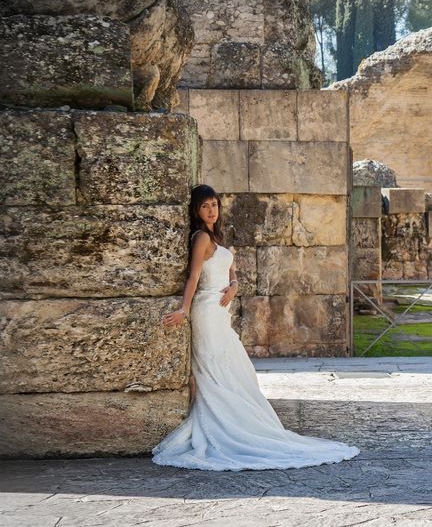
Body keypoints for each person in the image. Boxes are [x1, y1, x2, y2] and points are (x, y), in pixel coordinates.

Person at [153, 184, 359, 471]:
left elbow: (231, 272)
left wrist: (235, 286)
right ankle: (225, 424)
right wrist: (183, 310)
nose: (211, 210)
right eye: (205, 206)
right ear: (196, 211)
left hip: (219, 311)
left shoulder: (217, 237)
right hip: (205, 309)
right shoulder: (200, 237)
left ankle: (246, 422)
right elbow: (194, 276)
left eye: (214, 204)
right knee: (215, 367)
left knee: (235, 367)